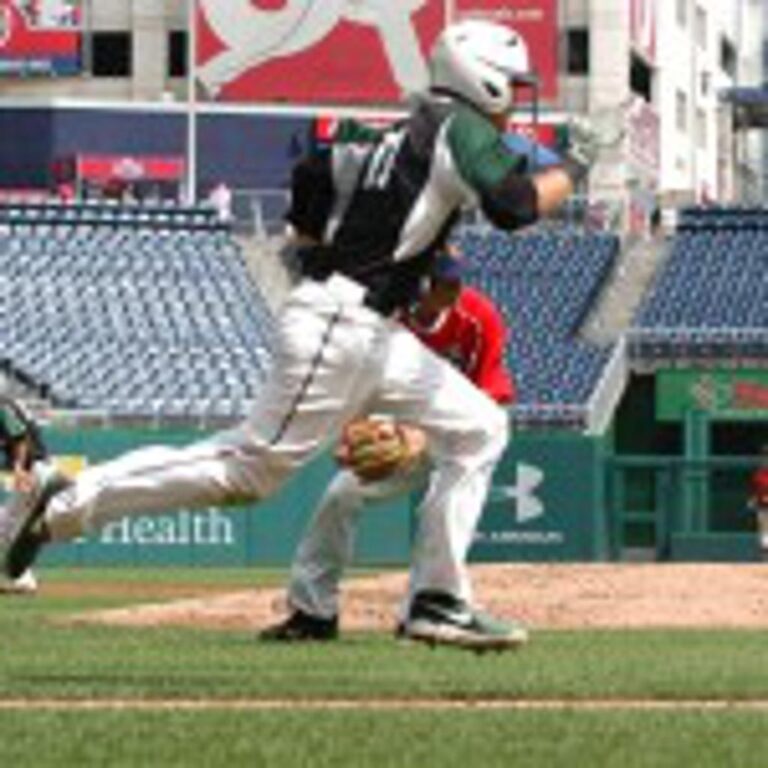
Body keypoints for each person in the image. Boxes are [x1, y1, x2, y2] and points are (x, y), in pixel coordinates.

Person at [4, 19, 592, 650]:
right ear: (485, 78)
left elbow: (315, 168)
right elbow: (514, 208)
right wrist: (575, 168)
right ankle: (68, 498)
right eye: (513, 82)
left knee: (480, 426)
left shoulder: (406, 127)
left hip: (370, 328)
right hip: (345, 323)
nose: (518, 95)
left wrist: (314, 243)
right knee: (248, 471)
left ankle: (439, 600)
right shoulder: (459, 122)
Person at [261, 252, 515, 642]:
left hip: (456, 433)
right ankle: (313, 613)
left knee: (443, 504)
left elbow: (487, 403)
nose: (452, 291)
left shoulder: (478, 318)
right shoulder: (386, 316)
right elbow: (356, 385)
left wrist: (426, 436)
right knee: (340, 495)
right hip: (393, 429)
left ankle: (425, 608)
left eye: (455, 282)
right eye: (442, 283)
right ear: (420, 283)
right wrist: (351, 434)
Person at [0, 396, 48, 595]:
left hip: (33, 470)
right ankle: (23, 578)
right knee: (7, 525)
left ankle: (24, 579)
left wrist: (19, 468)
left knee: (7, 525)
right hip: (33, 470)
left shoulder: (2, 406)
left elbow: (20, 437)